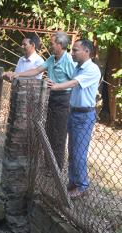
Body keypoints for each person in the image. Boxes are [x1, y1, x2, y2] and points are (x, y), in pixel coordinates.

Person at [11, 31, 76, 171]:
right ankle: (48, 165)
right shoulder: (52, 59)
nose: (50, 45)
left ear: (59, 44)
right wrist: (18, 74)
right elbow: (36, 71)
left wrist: (58, 86)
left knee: (58, 134)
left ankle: (56, 168)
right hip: (51, 97)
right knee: (48, 132)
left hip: (63, 99)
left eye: (52, 43)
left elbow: (74, 81)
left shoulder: (68, 60)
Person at [47, 39, 101, 198]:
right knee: (71, 150)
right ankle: (73, 183)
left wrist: (56, 86)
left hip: (84, 115)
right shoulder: (78, 67)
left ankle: (83, 186)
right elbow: (71, 80)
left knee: (79, 152)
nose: (72, 52)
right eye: (72, 50)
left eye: (76, 50)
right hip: (74, 112)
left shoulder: (92, 69)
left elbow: (75, 83)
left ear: (87, 51)